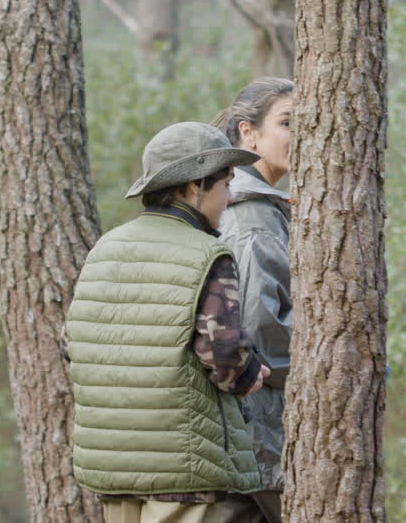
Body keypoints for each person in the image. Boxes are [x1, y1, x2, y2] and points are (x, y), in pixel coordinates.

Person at [67, 121, 272, 523]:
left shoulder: (105, 248)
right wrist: (251, 376)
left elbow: (72, 345)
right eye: (225, 185)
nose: (229, 200)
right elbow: (224, 354)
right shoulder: (207, 253)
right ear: (196, 186)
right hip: (183, 465)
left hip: (113, 468)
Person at [212, 78, 294, 523]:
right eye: (287, 122)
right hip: (260, 425)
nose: (301, 134)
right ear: (248, 133)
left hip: (254, 426)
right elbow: (259, 331)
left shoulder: (258, 204)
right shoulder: (252, 216)